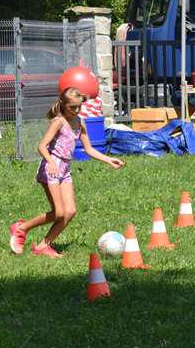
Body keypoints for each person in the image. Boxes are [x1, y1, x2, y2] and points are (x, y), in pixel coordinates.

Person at [9, 87, 124, 257]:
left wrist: (108, 160)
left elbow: (89, 149)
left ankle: (43, 246)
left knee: (70, 211)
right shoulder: (59, 122)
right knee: (59, 212)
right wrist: (50, 162)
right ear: (62, 104)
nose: (76, 111)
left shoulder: (80, 122)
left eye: (79, 107)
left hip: (65, 170)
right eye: (72, 107)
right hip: (51, 169)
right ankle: (21, 228)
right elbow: (41, 146)